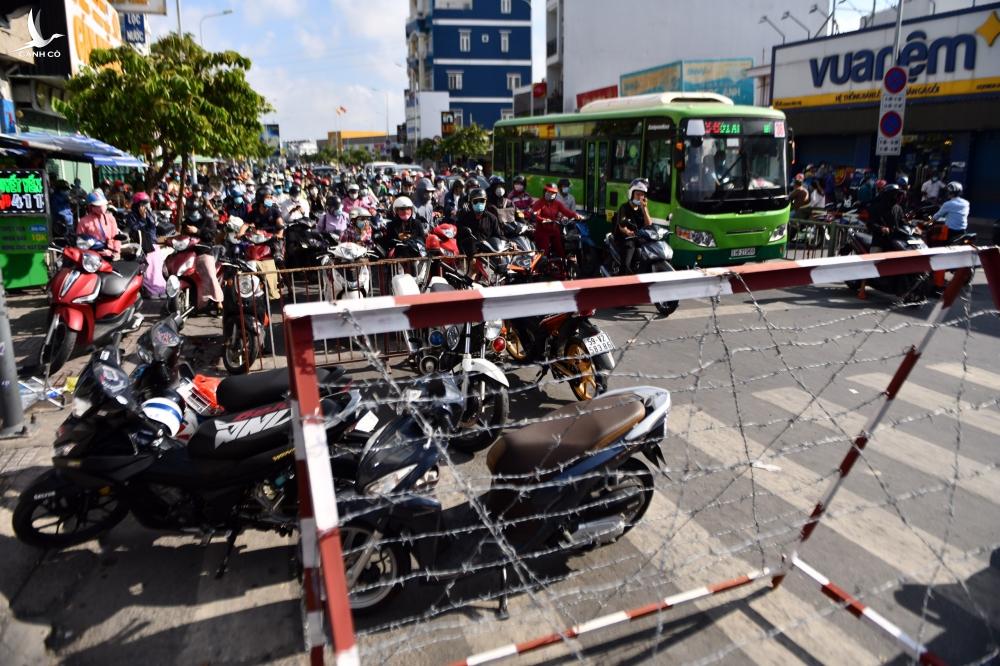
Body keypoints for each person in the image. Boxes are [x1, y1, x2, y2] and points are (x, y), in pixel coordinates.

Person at [529, 182, 582, 258]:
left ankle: (562, 267)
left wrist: (575, 215)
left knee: (561, 251)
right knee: (544, 253)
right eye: (549, 192)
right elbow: (535, 215)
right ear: (545, 192)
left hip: (554, 230)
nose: (551, 194)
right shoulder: (539, 203)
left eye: (553, 193)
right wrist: (543, 220)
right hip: (542, 231)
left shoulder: (557, 203)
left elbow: (566, 211)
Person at [612, 179, 653, 273]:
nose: (640, 197)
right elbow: (621, 226)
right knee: (626, 265)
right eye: (638, 194)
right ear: (631, 194)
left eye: (642, 195)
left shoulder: (642, 209)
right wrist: (628, 232)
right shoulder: (624, 207)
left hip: (639, 238)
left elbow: (649, 224)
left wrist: (645, 209)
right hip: (626, 239)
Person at [457, 188, 504, 257]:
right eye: (476, 201)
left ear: (486, 201)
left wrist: (510, 243)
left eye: (482, 201)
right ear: (471, 202)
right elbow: (459, 239)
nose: (479, 203)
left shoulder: (492, 218)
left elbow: (499, 235)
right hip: (471, 256)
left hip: (489, 255)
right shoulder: (464, 218)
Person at [76, 190, 121, 259]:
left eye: (103, 204)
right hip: (92, 256)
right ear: (91, 207)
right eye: (97, 205)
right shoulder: (83, 221)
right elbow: (80, 241)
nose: (101, 207)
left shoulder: (110, 218)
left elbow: (116, 236)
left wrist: (116, 252)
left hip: (110, 253)